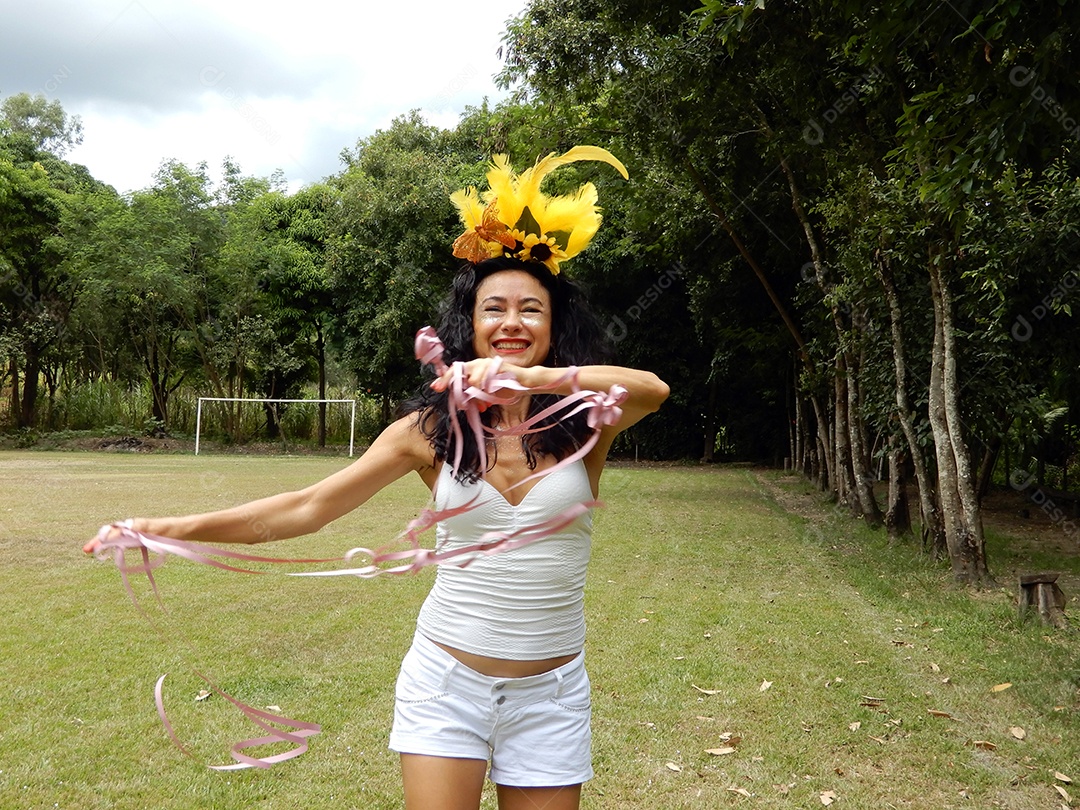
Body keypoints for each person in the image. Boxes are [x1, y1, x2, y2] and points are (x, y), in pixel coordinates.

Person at [85, 146, 669, 810]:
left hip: (553, 695)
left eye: (530, 309)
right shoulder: (428, 430)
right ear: (471, 326)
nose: (511, 323)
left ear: (554, 325)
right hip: (447, 685)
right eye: (494, 309)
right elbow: (307, 507)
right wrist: (162, 528)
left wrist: (536, 379)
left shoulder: (586, 419)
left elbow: (653, 390)